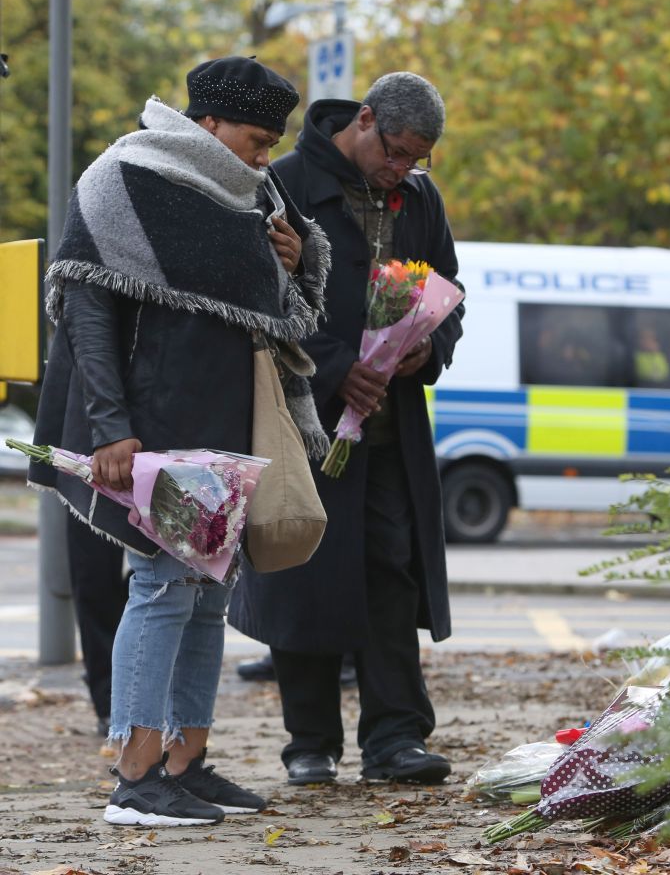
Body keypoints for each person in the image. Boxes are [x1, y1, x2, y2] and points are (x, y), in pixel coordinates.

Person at [28, 56, 330, 826]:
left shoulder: (253, 194)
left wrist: (291, 261)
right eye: (257, 140)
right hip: (150, 424)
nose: (266, 157)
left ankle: (184, 763)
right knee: (162, 588)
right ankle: (134, 779)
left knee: (206, 597)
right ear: (209, 125)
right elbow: (87, 315)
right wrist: (110, 430)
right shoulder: (122, 178)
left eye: (272, 143)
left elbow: (287, 312)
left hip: (224, 420)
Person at [228, 72, 464, 787]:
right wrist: (334, 370)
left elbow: (448, 292)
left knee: (391, 573)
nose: (403, 171)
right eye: (395, 153)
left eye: (417, 160)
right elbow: (255, 298)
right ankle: (310, 743)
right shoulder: (286, 181)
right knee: (306, 572)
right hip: (304, 420)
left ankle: (396, 738)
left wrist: (427, 347)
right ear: (364, 120)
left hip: (389, 428)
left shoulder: (420, 198)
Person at [66, 516, 128, 737]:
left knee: (159, 586)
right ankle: (108, 700)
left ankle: (150, 699)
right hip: (89, 487)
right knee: (95, 584)